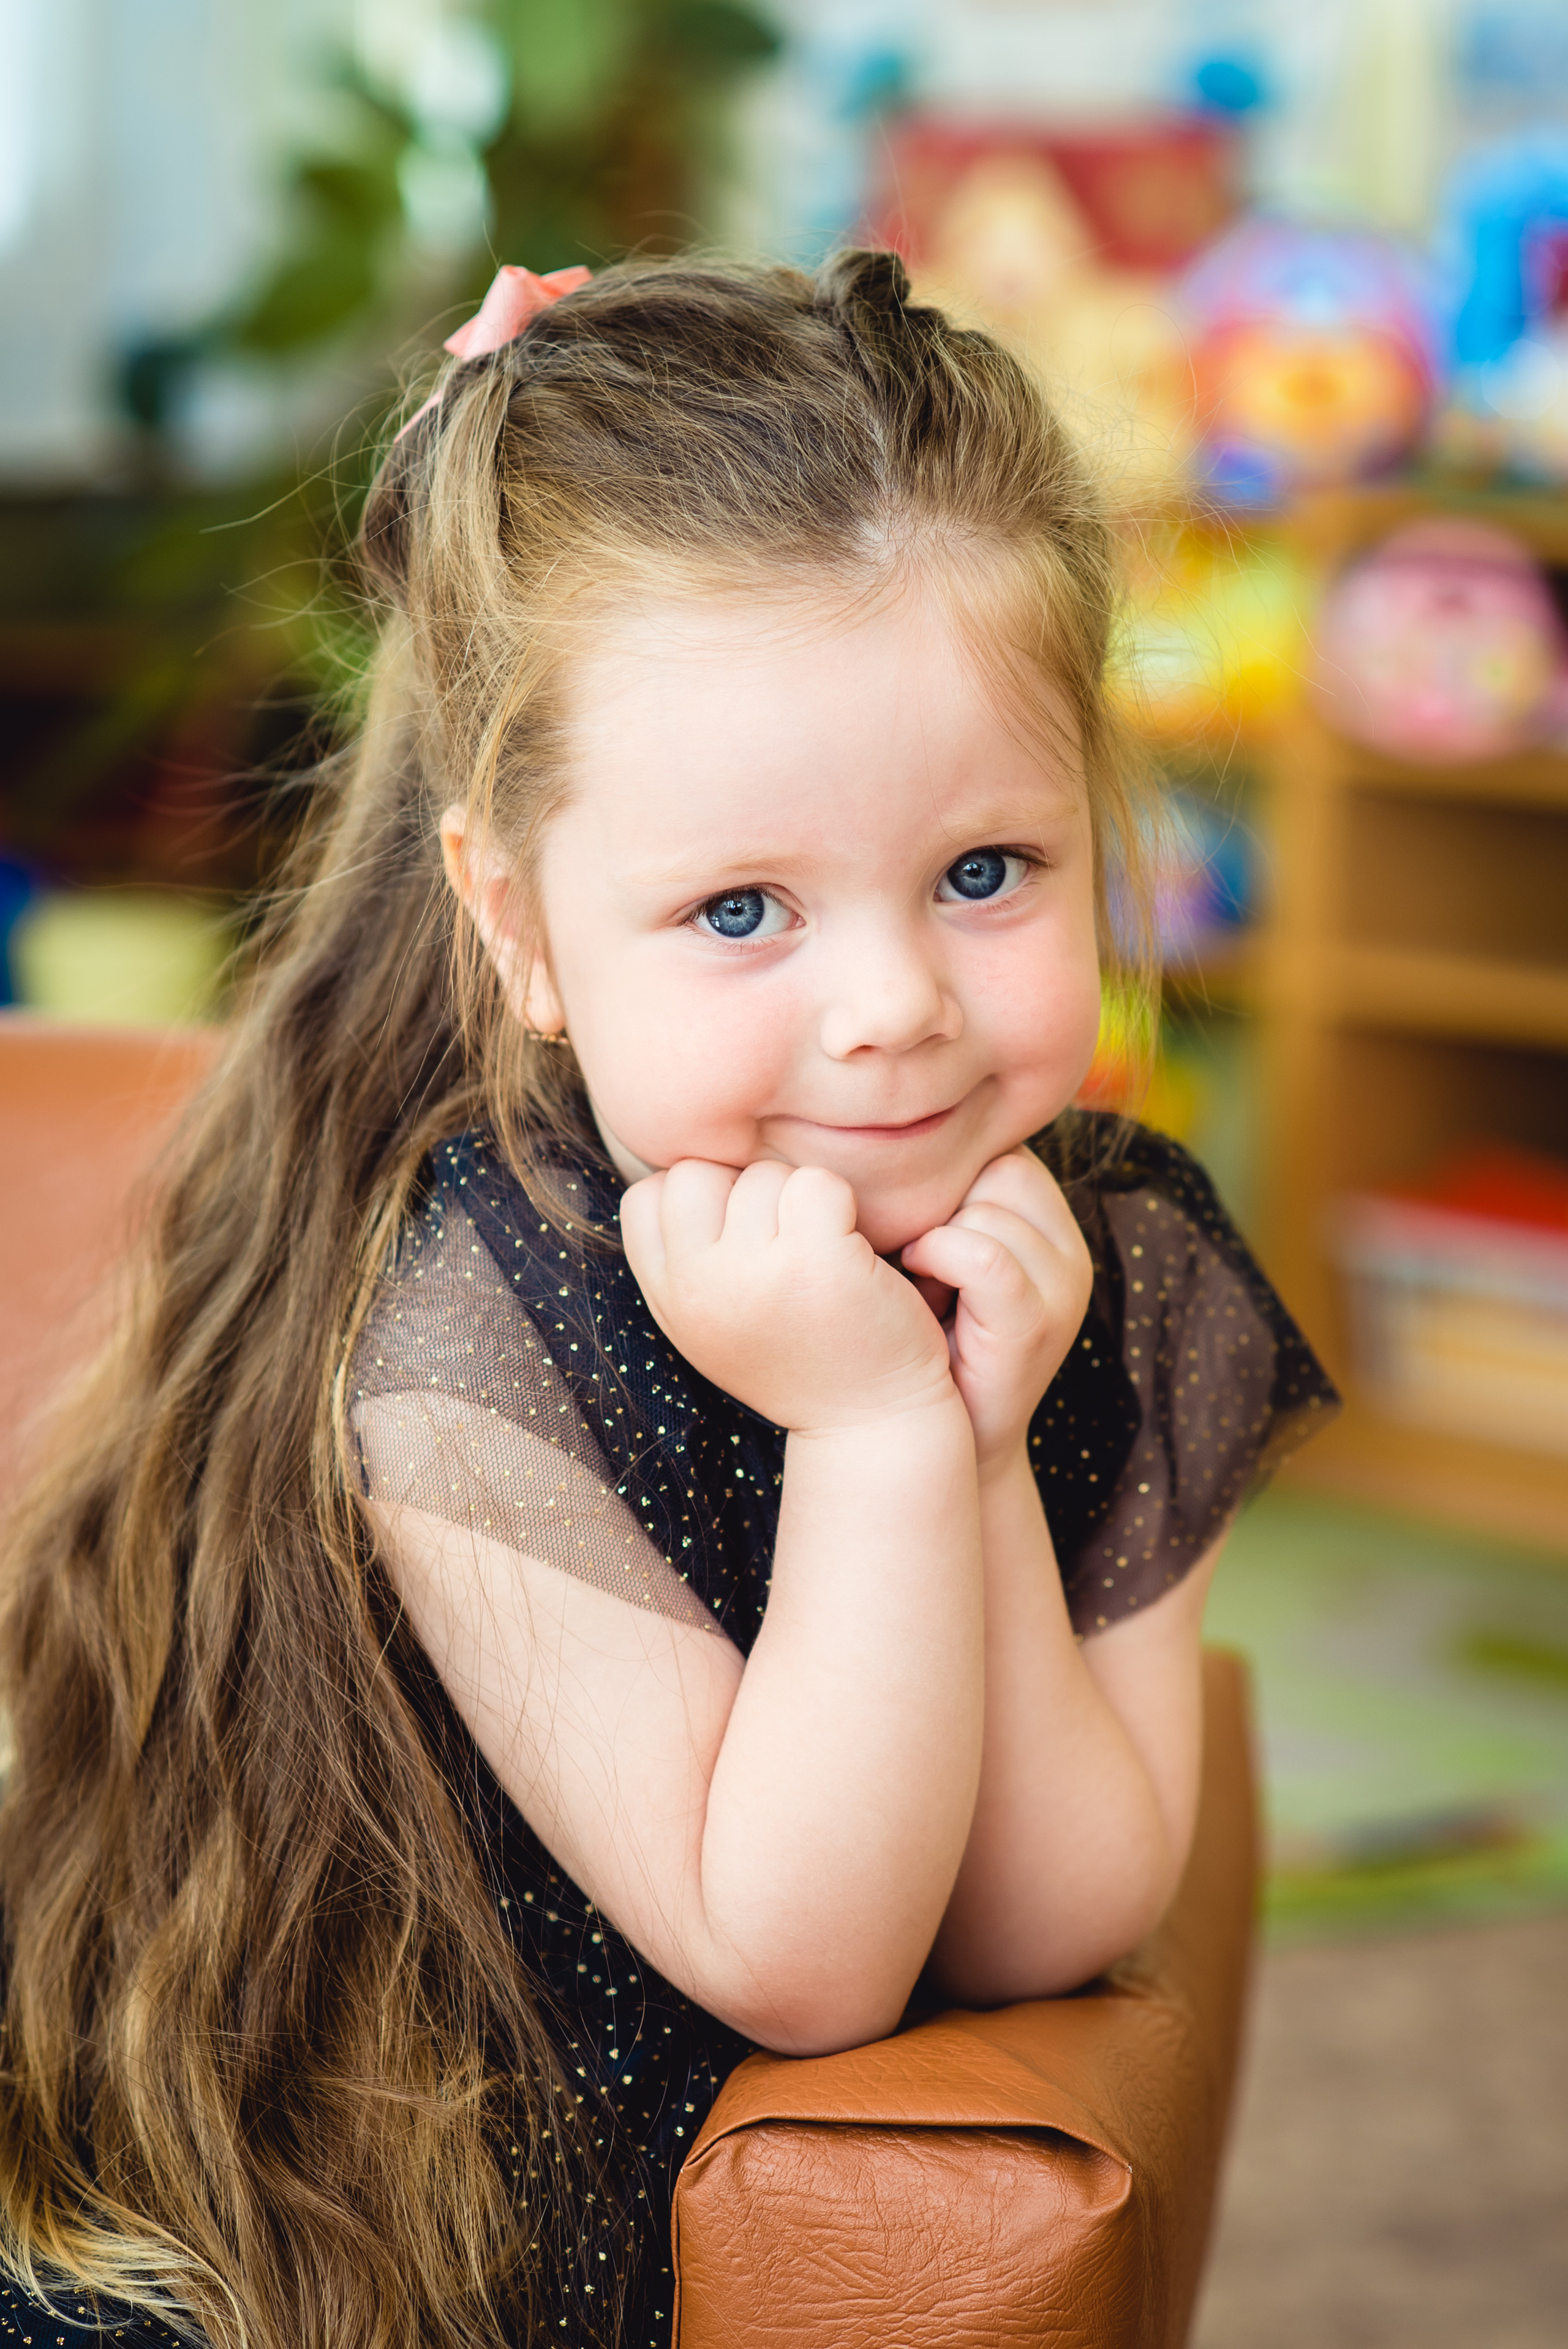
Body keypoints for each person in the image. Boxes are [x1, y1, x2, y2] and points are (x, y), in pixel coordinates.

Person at [0, 251, 1336, 2349]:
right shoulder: (473, 1318)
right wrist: (877, 1433)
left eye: (987, 871)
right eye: (740, 910)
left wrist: (985, 1445)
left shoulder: (1119, 1253)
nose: (892, 1007)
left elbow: (1058, 1919)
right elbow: (799, 1953)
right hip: (370, 2259)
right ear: (521, 927)